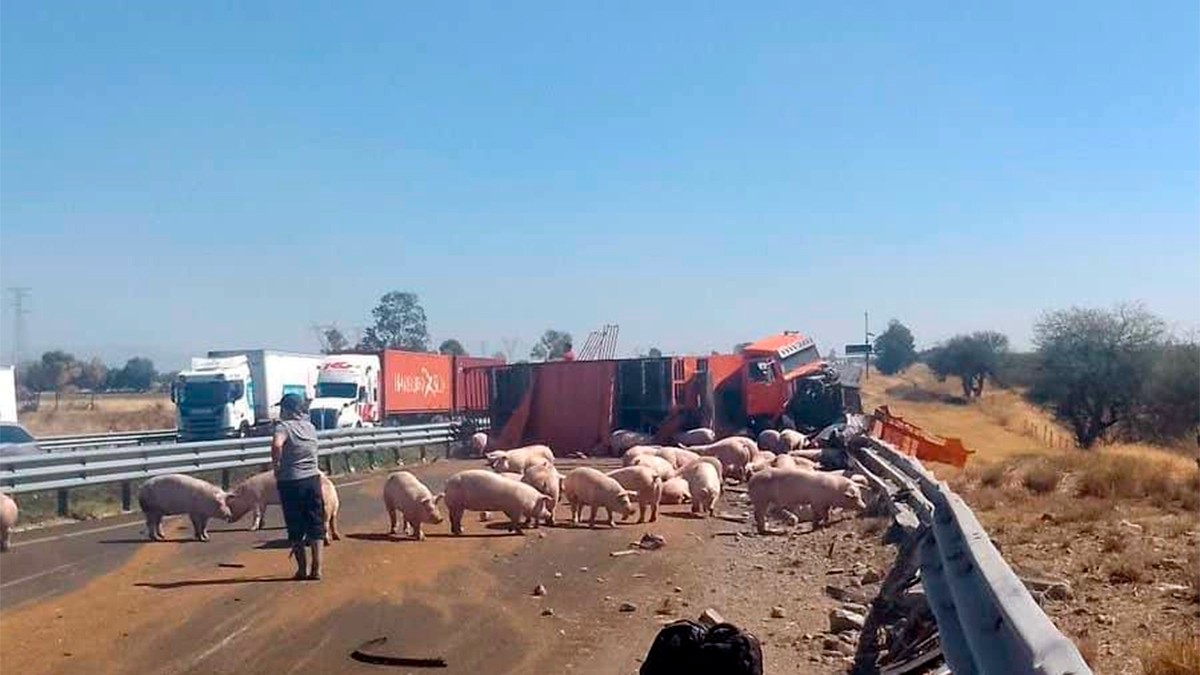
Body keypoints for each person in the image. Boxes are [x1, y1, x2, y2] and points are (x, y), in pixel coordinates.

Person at [271, 393, 325, 580]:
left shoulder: (283, 427)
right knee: (315, 523)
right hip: (313, 479)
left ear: (286, 409)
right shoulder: (310, 427)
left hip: (291, 481)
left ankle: (302, 569)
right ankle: (317, 568)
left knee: (295, 525)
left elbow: (277, 445)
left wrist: (276, 467)